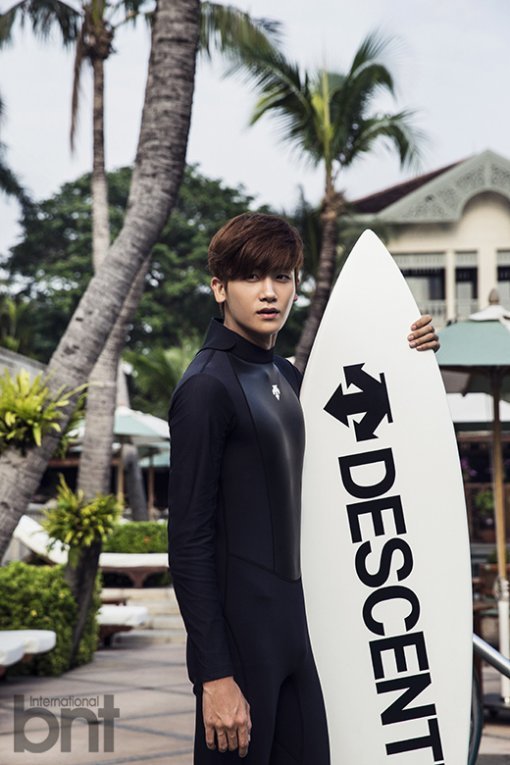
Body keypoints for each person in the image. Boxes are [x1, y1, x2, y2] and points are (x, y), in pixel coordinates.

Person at [167, 212, 439, 764]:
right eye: (250, 277)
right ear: (219, 287)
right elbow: (188, 543)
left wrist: (413, 353)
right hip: (242, 645)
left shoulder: (287, 378)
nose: (269, 292)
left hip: (297, 633)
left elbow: (369, 435)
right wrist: (214, 676)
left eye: (282, 277)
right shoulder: (206, 388)